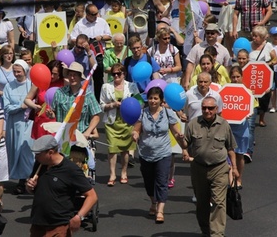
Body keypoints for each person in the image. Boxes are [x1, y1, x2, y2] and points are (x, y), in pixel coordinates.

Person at [181, 97, 238, 236]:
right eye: (204, 108)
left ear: (216, 109)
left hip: (219, 169)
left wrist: (235, 168)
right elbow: (185, 144)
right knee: (202, 204)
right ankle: (206, 232)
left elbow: (231, 148)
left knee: (219, 203)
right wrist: (180, 138)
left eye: (210, 108)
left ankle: (217, 234)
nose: (207, 111)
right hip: (199, 169)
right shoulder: (193, 124)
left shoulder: (224, 125)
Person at [26, 135, 98, 236]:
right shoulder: (40, 164)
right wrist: (29, 187)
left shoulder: (70, 169)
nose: (35, 156)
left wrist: (79, 217)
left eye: (38, 154)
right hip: (38, 225)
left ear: (50, 152)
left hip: (59, 226)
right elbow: (33, 190)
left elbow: (92, 196)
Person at [132, 87, 185, 224]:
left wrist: (182, 141)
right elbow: (136, 129)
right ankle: (153, 203)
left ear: (161, 100)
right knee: (149, 182)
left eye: (156, 98)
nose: (152, 101)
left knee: (162, 182)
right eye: (150, 98)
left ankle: (160, 210)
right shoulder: (142, 113)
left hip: (163, 153)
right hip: (145, 153)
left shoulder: (168, 113)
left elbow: (175, 132)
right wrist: (135, 134)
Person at [100, 63, 140, 186]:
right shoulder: (106, 87)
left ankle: (123, 172)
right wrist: (112, 105)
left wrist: (129, 105)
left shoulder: (132, 86)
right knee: (112, 148)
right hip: (112, 122)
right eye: (114, 74)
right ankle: (112, 174)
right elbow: (101, 105)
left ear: (124, 74)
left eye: (119, 73)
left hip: (127, 121)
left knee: (125, 150)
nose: (116, 76)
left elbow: (139, 102)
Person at [3, 60, 35, 193]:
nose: (16, 74)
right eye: (14, 72)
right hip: (14, 124)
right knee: (16, 150)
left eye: (19, 72)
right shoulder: (8, 87)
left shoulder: (31, 86)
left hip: (28, 124)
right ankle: (21, 179)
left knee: (26, 151)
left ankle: (26, 180)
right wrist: (20, 107)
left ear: (25, 71)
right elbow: (6, 107)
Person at [48, 62, 102, 137]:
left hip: (80, 136)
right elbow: (53, 113)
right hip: (62, 136)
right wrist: (51, 114)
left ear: (80, 77)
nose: (72, 78)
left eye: (75, 75)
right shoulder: (59, 92)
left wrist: (88, 132)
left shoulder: (88, 95)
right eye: (70, 75)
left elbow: (96, 116)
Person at [226, 67, 253, 189]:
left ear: (241, 77)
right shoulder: (226, 90)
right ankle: (230, 178)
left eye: (238, 77)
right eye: (233, 77)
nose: (235, 79)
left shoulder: (248, 91)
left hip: (242, 127)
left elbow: (252, 107)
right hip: (229, 127)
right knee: (228, 153)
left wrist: (250, 112)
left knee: (240, 154)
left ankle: (239, 178)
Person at [182, 24, 231, 91]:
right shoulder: (197, 47)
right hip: (199, 82)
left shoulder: (223, 50)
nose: (210, 35)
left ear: (217, 34)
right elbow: (190, 64)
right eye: (208, 33)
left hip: (217, 82)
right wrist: (187, 81)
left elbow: (227, 67)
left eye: (212, 33)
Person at [24, 60, 65, 140]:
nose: (52, 76)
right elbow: (27, 99)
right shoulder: (40, 81)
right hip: (41, 121)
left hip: (56, 122)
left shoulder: (63, 84)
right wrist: (35, 106)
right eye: (51, 73)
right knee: (40, 150)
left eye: (55, 74)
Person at [249, 26, 277, 127]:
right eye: (253, 35)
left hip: (264, 76)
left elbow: (275, 60)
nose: (254, 38)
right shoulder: (248, 45)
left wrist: (267, 64)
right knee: (251, 95)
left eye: (256, 36)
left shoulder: (268, 46)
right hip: (252, 75)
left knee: (264, 97)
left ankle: (261, 118)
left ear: (262, 37)